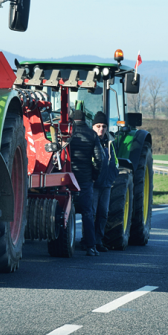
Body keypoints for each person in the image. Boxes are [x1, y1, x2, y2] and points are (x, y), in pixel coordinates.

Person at [68, 109, 104, 256]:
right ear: (85, 120)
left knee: (66, 211)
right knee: (87, 213)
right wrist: (94, 174)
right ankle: (90, 247)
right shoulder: (92, 134)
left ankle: (65, 243)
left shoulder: (68, 133)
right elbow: (99, 159)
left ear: (73, 120)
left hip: (68, 177)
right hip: (85, 179)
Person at [92, 111, 119, 252]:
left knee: (103, 213)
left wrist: (112, 176)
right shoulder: (90, 141)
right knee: (92, 213)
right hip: (94, 184)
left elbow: (115, 162)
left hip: (106, 184)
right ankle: (89, 241)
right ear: (93, 127)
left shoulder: (110, 142)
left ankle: (98, 241)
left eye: (103, 126)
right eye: (98, 126)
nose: (101, 129)